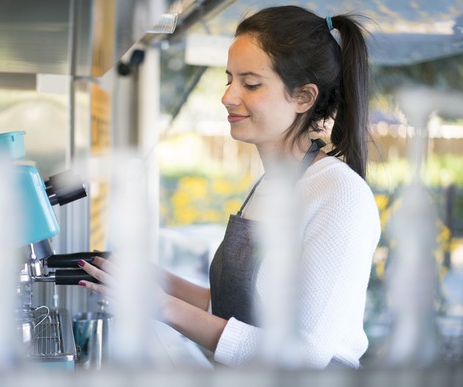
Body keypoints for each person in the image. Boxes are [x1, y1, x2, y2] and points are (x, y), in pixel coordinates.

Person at [77, 5, 381, 369]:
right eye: (229, 79)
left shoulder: (339, 193)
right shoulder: (267, 185)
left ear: (303, 98)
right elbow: (232, 310)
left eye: (250, 83)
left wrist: (161, 306)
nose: (227, 96)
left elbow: (306, 353)